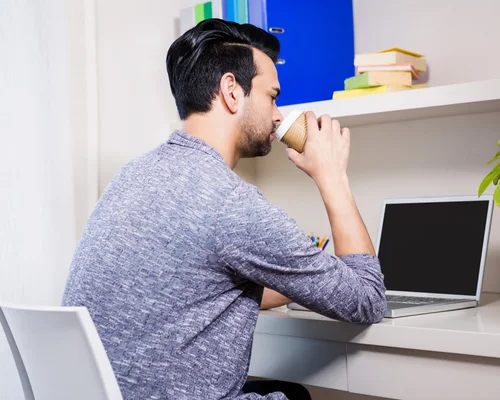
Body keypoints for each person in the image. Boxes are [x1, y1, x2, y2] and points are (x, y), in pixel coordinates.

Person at [61, 18, 386, 400]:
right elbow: (366, 300)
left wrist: (303, 281)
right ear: (232, 91)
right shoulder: (230, 203)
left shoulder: (133, 177)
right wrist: (332, 176)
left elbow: (196, 289)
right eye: (272, 96)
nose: (279, 115)